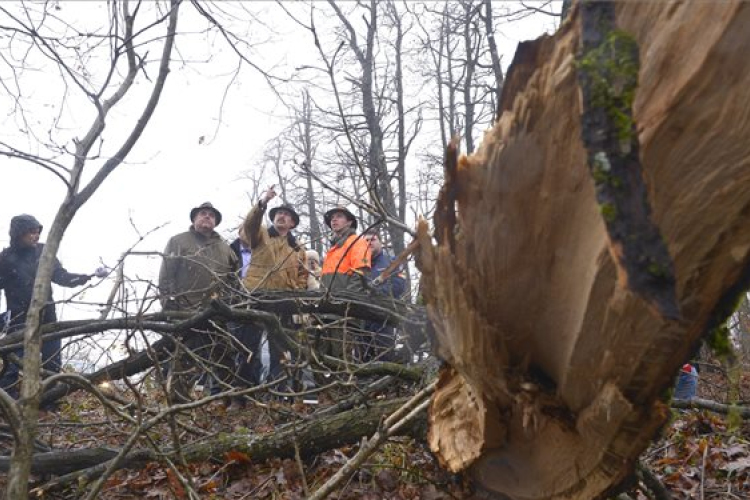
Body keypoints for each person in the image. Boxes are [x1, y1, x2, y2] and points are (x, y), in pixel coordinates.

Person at [0, 214, 105, 403]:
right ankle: (8, 406)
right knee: (12, 367)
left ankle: (47, 404)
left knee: (52, 365)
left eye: (37, 232)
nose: (36, 236)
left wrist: (86, 277)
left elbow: (61, 277)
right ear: (19, 233)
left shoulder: (44, 252)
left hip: (47, 318)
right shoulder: (5, 258)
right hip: (18, 321)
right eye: (31, 232)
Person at [158, 202, 238, 403]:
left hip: (216, 314)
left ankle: (224, 402)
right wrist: (170, 306)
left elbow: (234, 281)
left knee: (224, 357)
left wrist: (229, 306)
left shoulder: (225, 249)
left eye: (211, 215)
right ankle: (178, 406)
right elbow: (166, 276)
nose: (207, 218)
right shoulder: (178, 242)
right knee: (185, 360)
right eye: (203, 214)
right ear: (194, 219)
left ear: (216, 222)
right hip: (186, 312)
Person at [242, 187, 309, 398]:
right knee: (247, 348)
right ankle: (243, 393)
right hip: (256, 297)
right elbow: (249, 225)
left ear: (293, 224)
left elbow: (302, 278)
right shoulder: (260, 235)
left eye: (287, 215)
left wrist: (295, 301)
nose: (282, 216)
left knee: (279, 350)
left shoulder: (298, 249)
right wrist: (263, 203)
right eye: (279, 213)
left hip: (283, 303)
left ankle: (277, 392)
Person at [319, 207, 372, 359]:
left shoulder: (358, 243)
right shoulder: (334, 248)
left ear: (349, 222)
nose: (333, 220)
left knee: (342, 358)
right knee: (323, 357)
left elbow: (360, 277)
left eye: (339, 216)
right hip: (327, 313)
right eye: (332, 218)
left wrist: (344, 305)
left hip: (344, 314)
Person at [360, 229, 406, 361]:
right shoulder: (361, 265)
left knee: (385, 357)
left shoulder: (392, 261)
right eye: (366, 241)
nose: (369, 243)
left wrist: (378, 293)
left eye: (372, 240)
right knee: (363, 359)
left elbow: (399, 284)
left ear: (380, 242)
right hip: (363, 318)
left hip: (384, 318)